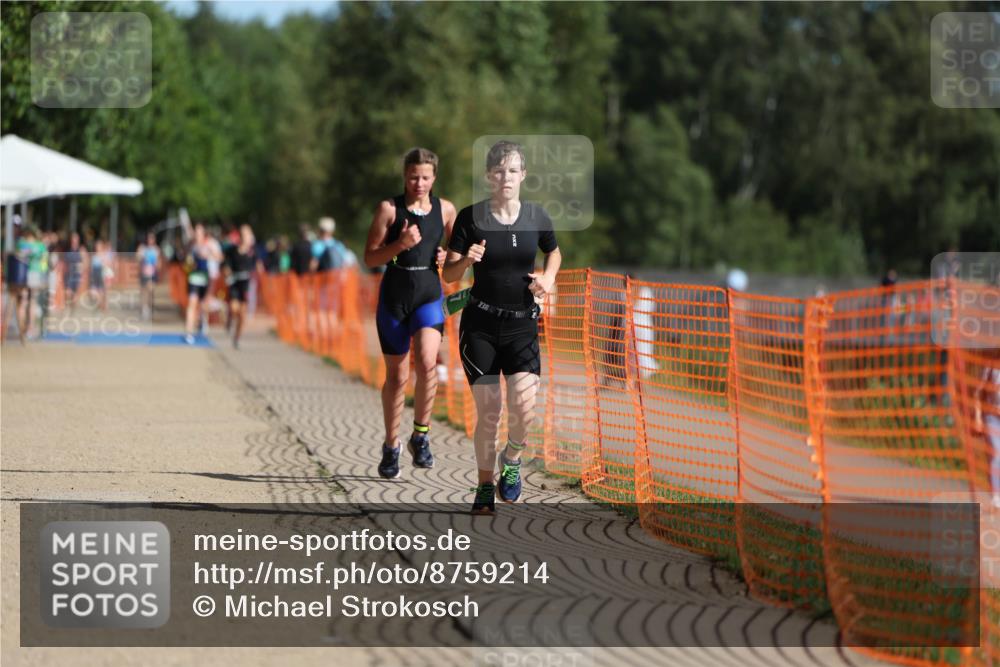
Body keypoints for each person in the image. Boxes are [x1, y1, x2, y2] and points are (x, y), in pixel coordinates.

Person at [443, 140, 561, 514]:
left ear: (523, 175)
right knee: (490, 410)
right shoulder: (470, 217)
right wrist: (466, 260)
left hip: (522, 326)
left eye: (512, 170)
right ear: (488, 176)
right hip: (480, 325)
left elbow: (553, 251)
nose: (505, 177)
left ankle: (511, 461)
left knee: (524, 409)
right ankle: (482, 486)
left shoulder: (537, 217)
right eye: (498, 170)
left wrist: (550, 278)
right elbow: (448, 273)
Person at [364, 147, 456, 479]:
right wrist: (399, 245)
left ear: (434, 178)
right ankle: (391, 445)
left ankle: (421, 435)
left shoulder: (446, 210)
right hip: (395, 298)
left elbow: (455, 267)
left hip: (429, 294)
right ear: (405, 175)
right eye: (414, 176)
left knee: (429, 361)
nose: (419, 183)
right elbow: (370, 258)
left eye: (426, 177)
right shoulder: (389, 209)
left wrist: (450, 261)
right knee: (398, 377)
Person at [184, 223, 223, 344]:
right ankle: (189, 332)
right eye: (196, 232)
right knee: (192, 303)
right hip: (194, 278)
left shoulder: (210, 244)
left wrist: (210, 254)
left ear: (203, 233)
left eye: (199, 232)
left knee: (204, 305)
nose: (197, 235)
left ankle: (203, 321)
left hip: (206, 278)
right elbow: (185, 258)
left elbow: (220, 257)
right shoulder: (191, 245)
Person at [224, 224, 262, 350]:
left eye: (248, 234)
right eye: (244, 234)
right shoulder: (232, 250)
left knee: (242, 315)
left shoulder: (252, 252)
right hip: (235, 282)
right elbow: (226, 265)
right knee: (234, 308)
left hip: (246, 285)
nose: (246, 237)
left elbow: (259, 266)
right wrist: (227, 272)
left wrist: (259, 271)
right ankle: (230, 319)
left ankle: (237, 338)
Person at [973, 349, 1000, 509]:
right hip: (992, 417)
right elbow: (978, 393)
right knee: (996, 455)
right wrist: (977, 417)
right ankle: (996, 496)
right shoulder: (991, 366)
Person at [136, 231, 162, 321]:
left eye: (152, 238)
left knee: (151, 290)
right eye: (149, 238)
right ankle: (144, 309)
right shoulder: (142, 248)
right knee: (144, 292)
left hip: (152, 274)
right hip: (144, 273)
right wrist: (141, 257)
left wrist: (158, 268)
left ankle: (149, 308)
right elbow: (138, 259)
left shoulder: (156, 250)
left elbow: (159, 262)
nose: (150, 240)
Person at [62, 232, 87, 315]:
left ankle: (73, 310)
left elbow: (86, 262)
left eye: (75, 238)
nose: (74, 240)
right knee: (67, 292)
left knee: (74, 294)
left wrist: (82, 267)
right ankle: (67, 309)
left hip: (77, 274)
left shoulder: (81, 249)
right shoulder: (67, 249)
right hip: (68, 274)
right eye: (73, 238)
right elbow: (63, 261)